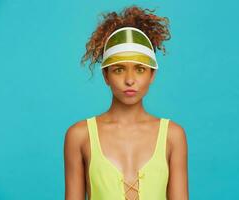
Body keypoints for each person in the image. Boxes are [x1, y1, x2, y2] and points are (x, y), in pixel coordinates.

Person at [64, 5, 189, 200]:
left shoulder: (173, 136)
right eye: (119, 69)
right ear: (106, 75)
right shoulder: (79, 136)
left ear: (152, 74)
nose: (130, 80)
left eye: (139, 69)